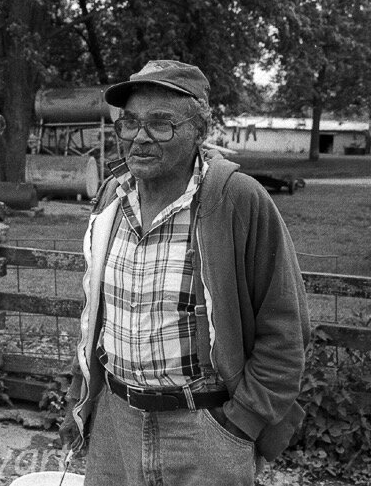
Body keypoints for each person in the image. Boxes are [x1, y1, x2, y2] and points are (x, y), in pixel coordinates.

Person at [59, 60, 310, 486]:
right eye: (130, 123)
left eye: (161, 124)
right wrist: (80, 398)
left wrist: (240, 423)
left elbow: (285, 327)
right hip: (116, 424)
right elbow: (95, 315)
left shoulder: (238, 199)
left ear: (200, 129)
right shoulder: (110, 198)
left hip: (205, 427)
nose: (140, 137)